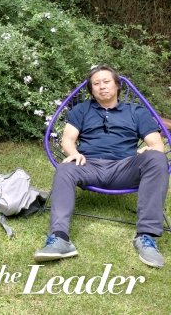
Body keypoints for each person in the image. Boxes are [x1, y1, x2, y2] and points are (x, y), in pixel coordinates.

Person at [34, 65, 169, 268]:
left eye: (106, 82)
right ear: (91, 90)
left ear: (117, 85)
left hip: (125, 167)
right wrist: (74, 153)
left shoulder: (136, 112)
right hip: (89, 164)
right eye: (96, 84)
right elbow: (68, 139)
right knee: (65, 168)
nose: (102, 86)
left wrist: (149, 150)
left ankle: (146, 236)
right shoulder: (81, 110)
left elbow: (157, 144)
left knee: (157, 158)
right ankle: (60, 239)